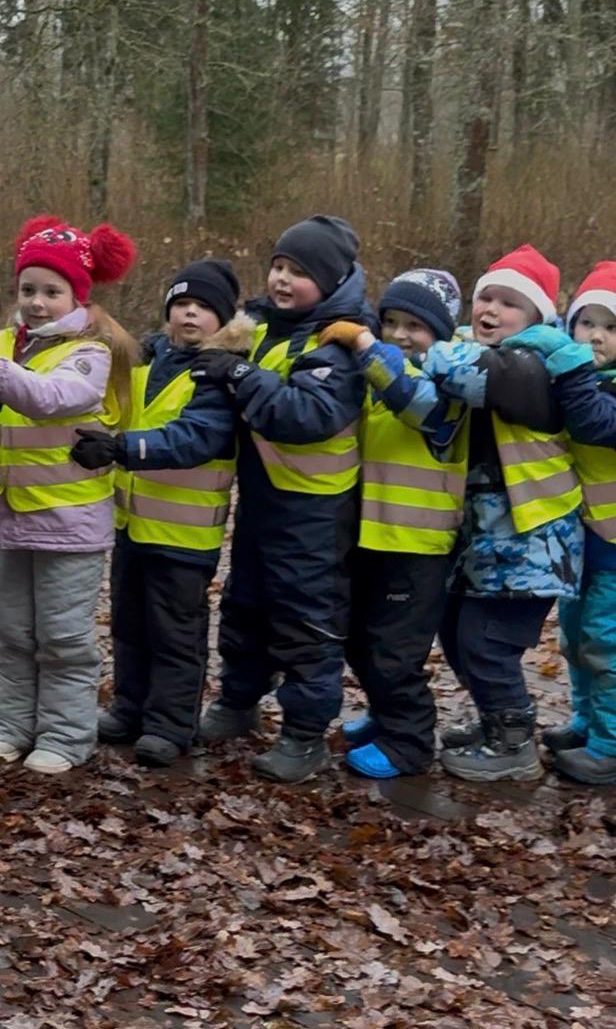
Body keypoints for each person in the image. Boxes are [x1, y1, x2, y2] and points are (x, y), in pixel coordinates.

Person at [350, 246, 583, 781]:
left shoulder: (534, 364)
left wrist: (407, 345)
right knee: (457, 635)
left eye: (509, 303)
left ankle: (514, 746)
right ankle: (494, 723)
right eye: (486, 298)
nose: (492, 311)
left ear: (537, 317)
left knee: (485, 642)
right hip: (487, 538)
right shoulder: (477, 350)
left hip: (534, 538)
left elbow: (468, 375)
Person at [0, 216, 136, 773]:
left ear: (77, 295)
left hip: (70, 522)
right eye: (28, 289)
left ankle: (65, 735)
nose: (37, 302)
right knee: (11, 629)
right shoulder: (2, 342)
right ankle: (12, 726)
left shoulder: (92, 350)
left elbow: (54, 397)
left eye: (52, 292)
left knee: (62, 636)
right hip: (13, 518)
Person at [191, 215, 368, 783]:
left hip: (314, 510)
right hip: (264, 498)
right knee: (245, 605)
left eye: (299, 272)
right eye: (278, 266)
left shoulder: (337, 342)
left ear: (331, 281)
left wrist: (241, 374)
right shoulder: (265, 326)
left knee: (306, 622)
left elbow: (306, 415)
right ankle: (238, 700)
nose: (282, 280)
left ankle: (304, 734)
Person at [70, 260, 242, 767]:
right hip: (133, 525)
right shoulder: (148, 358)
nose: (190, 313)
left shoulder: (217, 373)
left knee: (176, 634)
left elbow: (196, 438)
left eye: (203, 307)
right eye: (181, 303)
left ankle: (170, 724)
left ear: (223, 319)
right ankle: (130, 707)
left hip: (184, 535)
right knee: (130, 625)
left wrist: (123, 449)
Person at [319, 270, 467, 779]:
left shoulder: (448, 382)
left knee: (393, 651)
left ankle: (409, 742)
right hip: (370, 534)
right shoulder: (376, 376)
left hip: (417, 542)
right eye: (391, 323)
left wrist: (363, 342)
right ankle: (386, 715)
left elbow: (416, 404)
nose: (401, 335)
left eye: (415, 326)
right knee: (358, 638)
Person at [501, 261, 616, 784]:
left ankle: (610, 745)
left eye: (610, 327)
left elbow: (593, 423)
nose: (595, 336)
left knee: (606, 642)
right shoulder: (582, 379)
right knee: (574, 639)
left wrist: (569, 365)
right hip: (585, 539)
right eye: (585, 323)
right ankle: (585, 723)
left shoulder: (590, 385)